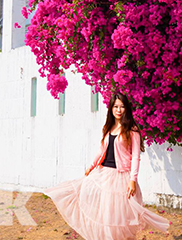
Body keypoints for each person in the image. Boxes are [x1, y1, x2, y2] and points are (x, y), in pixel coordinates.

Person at [44, 92, 170, 240]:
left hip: (121, 176)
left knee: (118, 217)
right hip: (103, 175)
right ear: (111, 108)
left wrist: (132, 180)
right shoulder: (108, 128)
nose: (118, 110)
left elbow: (136, 156)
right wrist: (91, 166)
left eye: (122, 107)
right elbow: (102, 149)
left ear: (126, 109)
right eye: (115, 106)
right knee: (103, 214)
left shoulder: (132, 130)